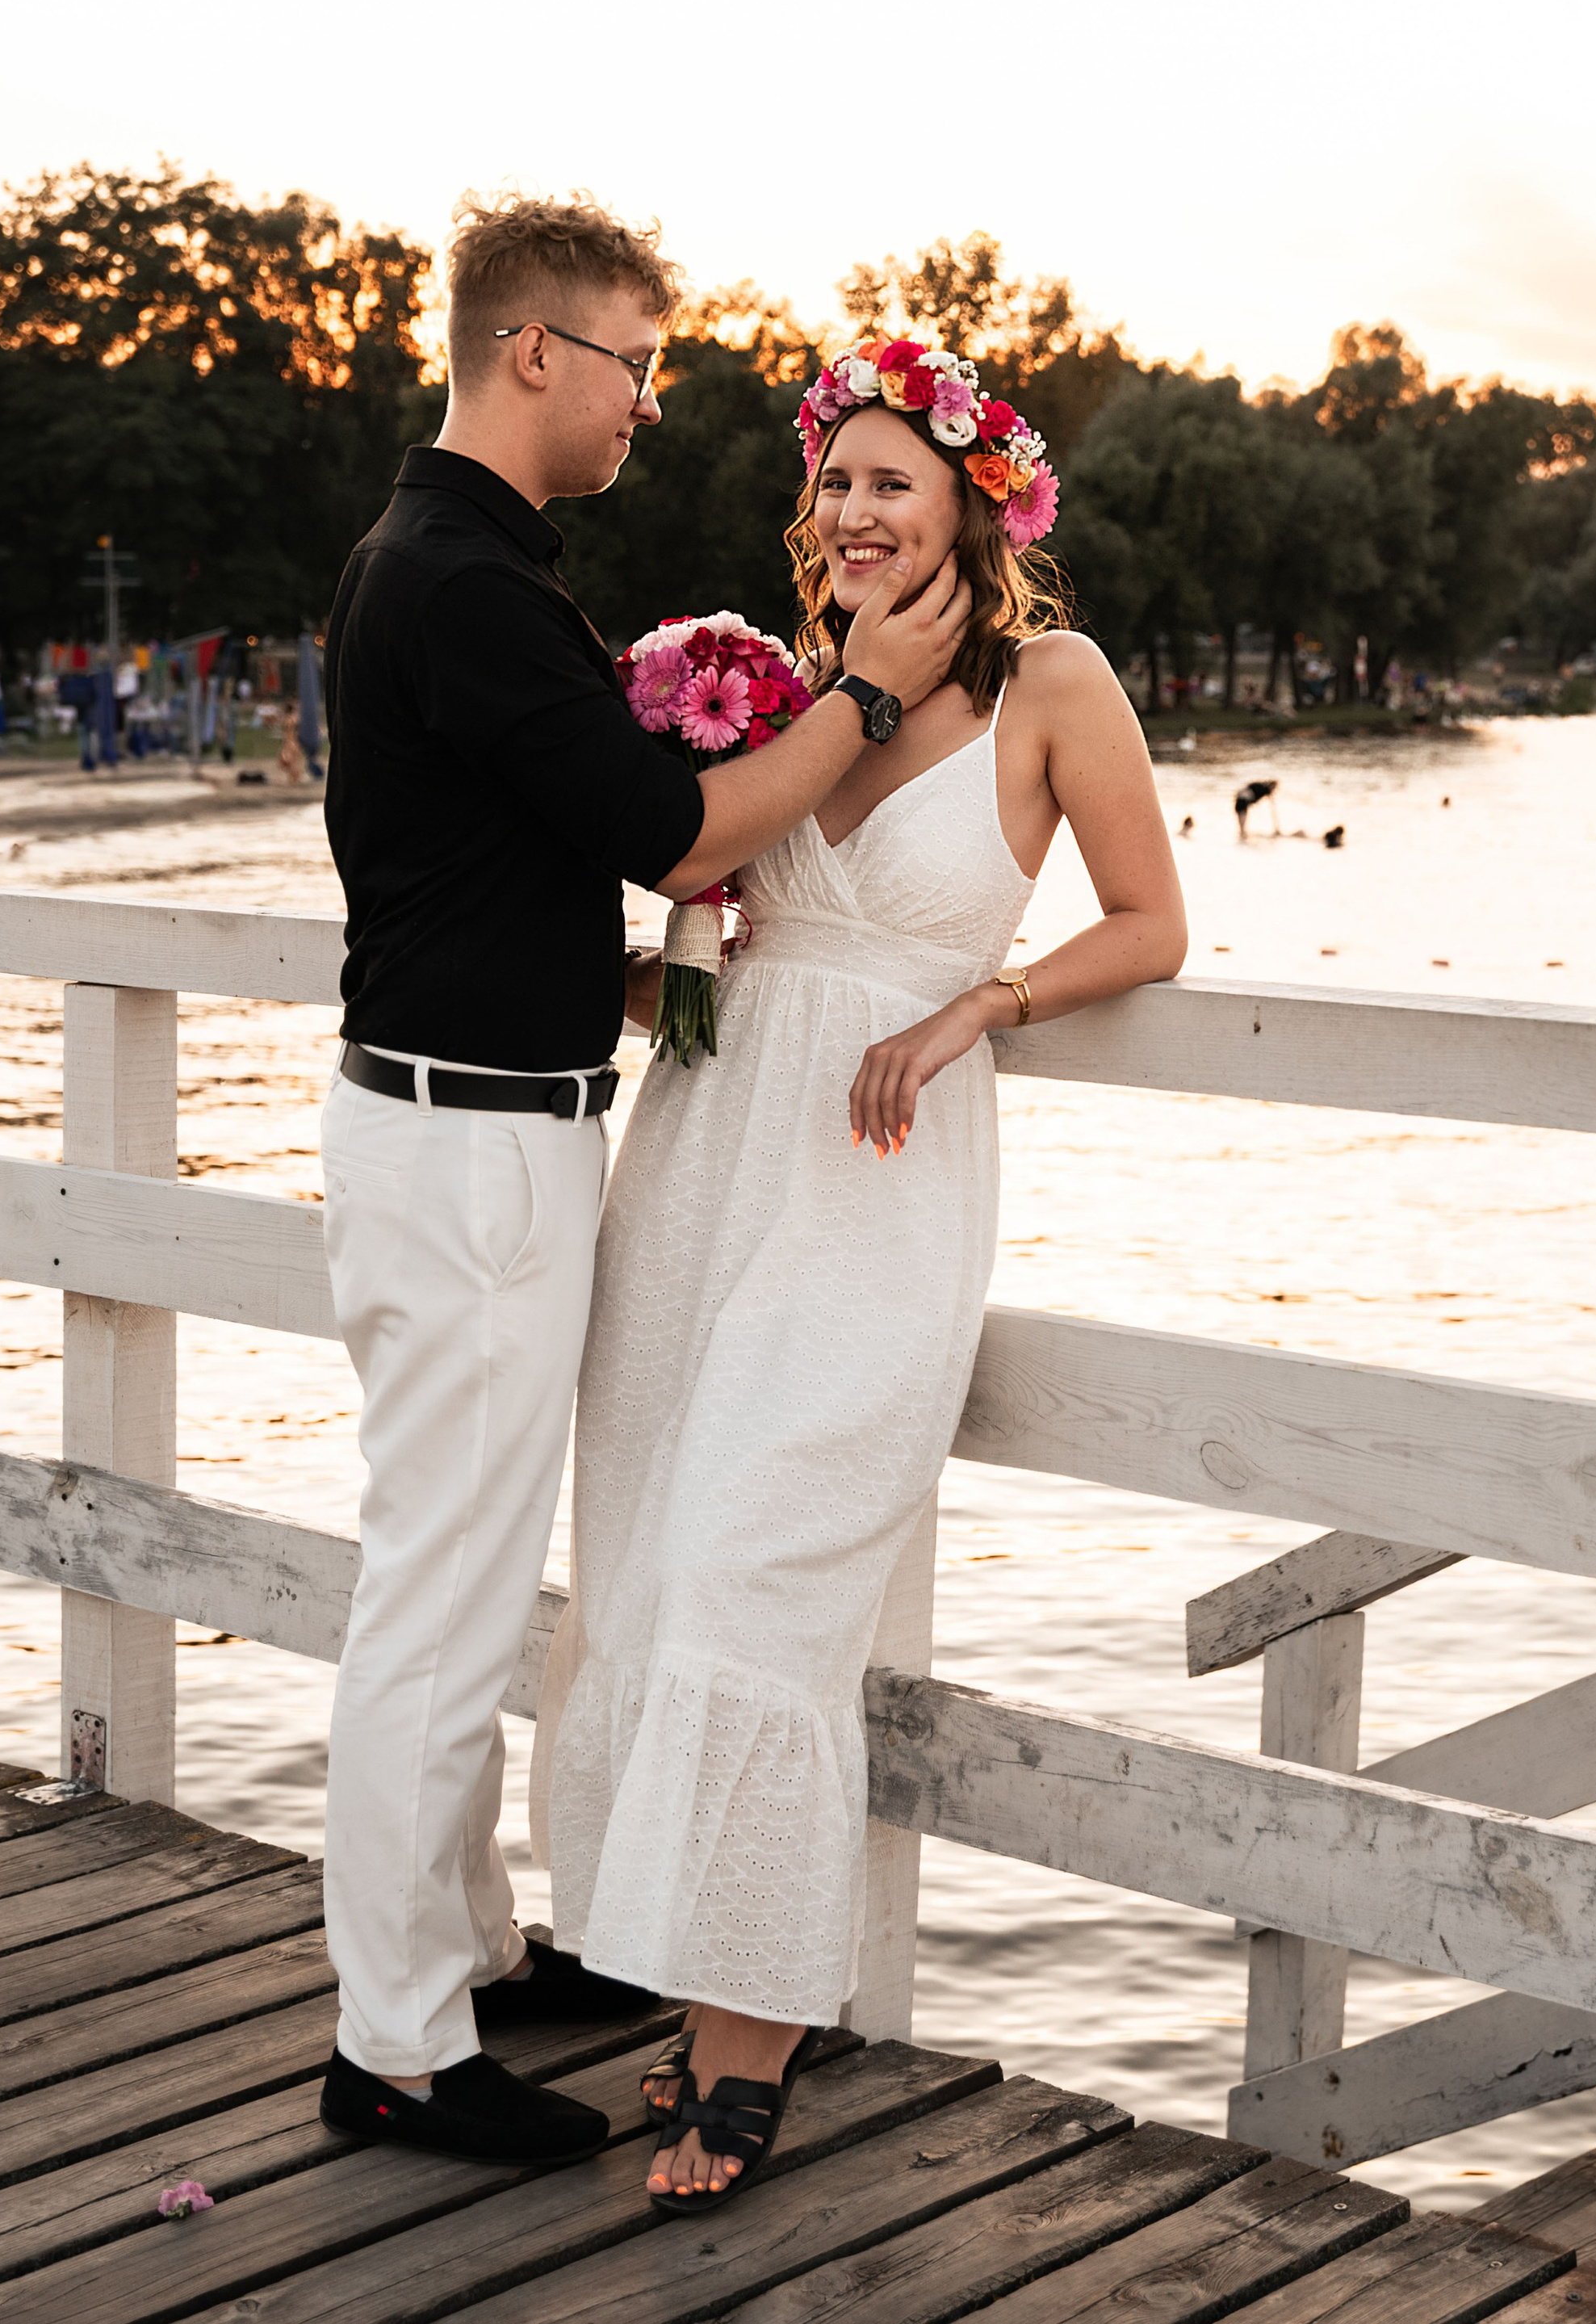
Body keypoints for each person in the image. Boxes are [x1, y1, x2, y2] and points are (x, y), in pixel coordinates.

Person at [316, 202, 970, 2177]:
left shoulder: (436, 561)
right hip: (472, 1145)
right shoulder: (467, 584)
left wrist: (644, 975)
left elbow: (526, 866)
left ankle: (460, 1955)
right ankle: (400, 2050)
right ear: (533, 352)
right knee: (439, 1604)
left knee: (452, 1572)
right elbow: (668, 822)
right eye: (629, 364)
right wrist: (852, 702)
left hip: (463, 1115)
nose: (643, 404)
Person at [539, 333, 1188, 2213]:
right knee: (652, 1567)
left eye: (890, 479)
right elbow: (692, 916)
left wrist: (985, 1001)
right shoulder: (770, 689)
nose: (851, 512)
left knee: (763, 1575)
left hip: (875, 1180)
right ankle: (696, 1988)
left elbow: (1148, 920)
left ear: (977, 505)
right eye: (832, 483)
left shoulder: (1052, 685)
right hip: (698, 1162)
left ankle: (746, 2050)